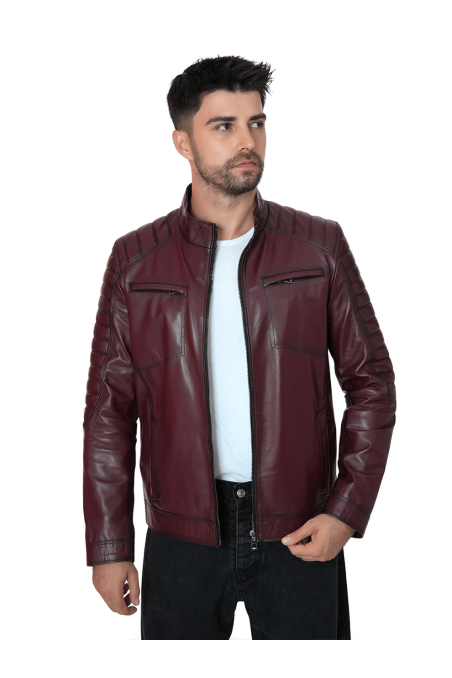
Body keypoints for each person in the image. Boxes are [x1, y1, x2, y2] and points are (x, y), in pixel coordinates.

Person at [83, 55, 397, 640]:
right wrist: (109, 545)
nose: (247, 140)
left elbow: (371, 384)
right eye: (223, 126)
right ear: (183, 142)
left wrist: (345, 511)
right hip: (180, 535)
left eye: (256, 122)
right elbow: (108, 412)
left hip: (302, 527)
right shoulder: (136, 261)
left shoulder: (319, 247)